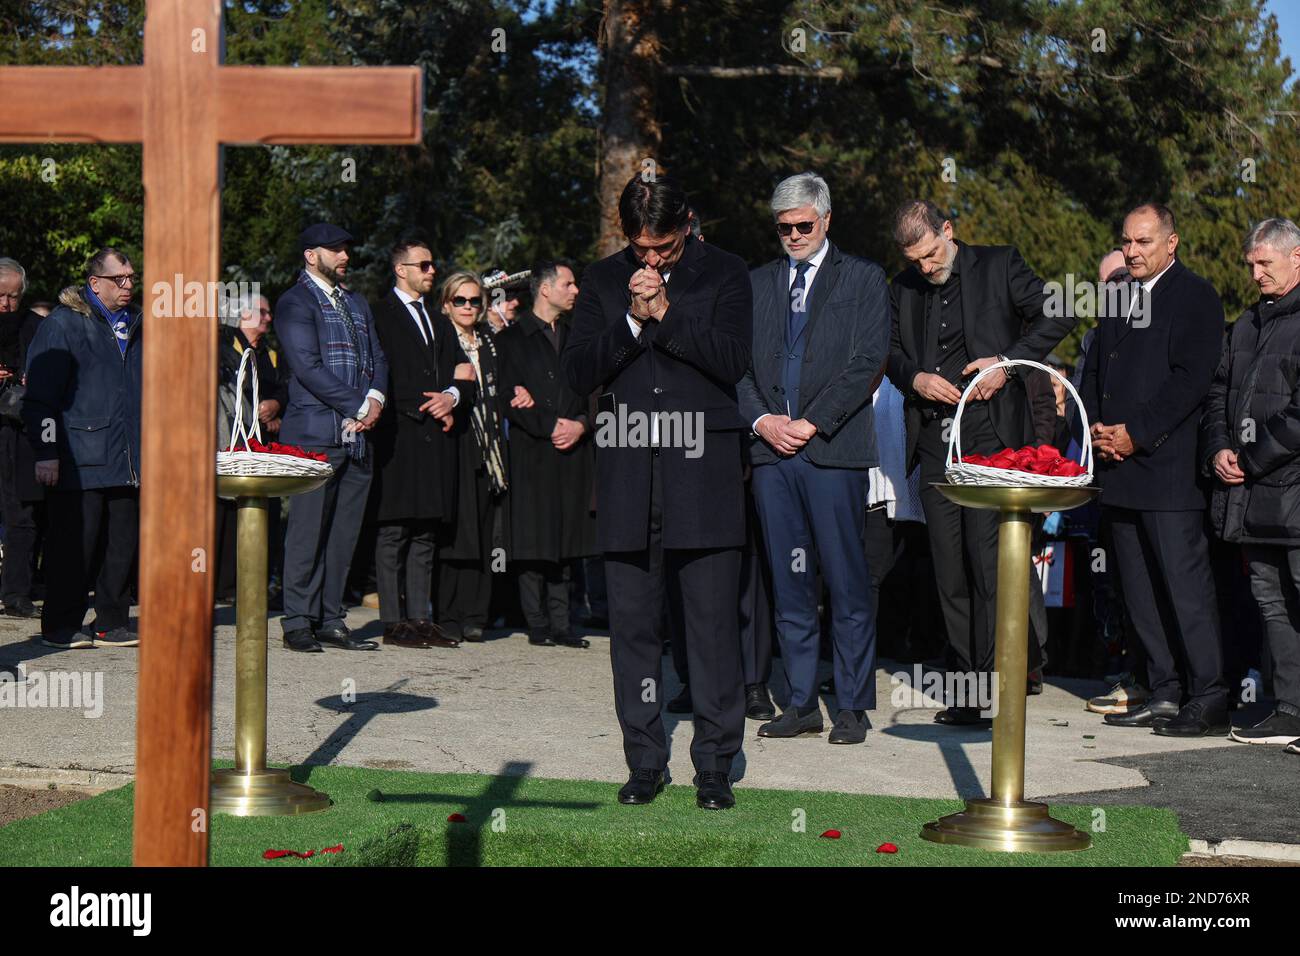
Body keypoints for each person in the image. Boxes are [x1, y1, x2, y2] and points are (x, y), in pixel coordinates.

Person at [562, 174, 752, 810]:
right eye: (639, 248)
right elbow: (579, 369)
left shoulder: (726, 272)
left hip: (705, 472)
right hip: (626, 476)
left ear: (688, 224)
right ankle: (643, 760)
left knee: (711, 628)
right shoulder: (600, 278)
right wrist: (630, 321)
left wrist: (667, 313)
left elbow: (732, 360)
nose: (650, 260)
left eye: (663, 248)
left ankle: (716, 764)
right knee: (635, 630)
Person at [886, 200, 1074, 725]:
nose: (925, 267)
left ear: (948, 231)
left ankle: (1001, 682)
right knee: (949, 572)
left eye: (930, 254)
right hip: (933, 445)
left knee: (988, 567)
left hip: (995, 441)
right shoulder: (901, 286)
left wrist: (1007, 364)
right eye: (915, 260)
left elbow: (1058, 311)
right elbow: (890, 350)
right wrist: (915, 378)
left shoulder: (1000, 264)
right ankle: (969, 689)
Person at [737, 171, 890, 745]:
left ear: (826, 220)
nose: (794, 235)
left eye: (803, 225)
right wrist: (764, 421)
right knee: (789, 581)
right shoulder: (756, 284)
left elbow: (867, 360)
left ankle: (851, 704)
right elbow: (739, 367)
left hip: (834, 451)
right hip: (773, 455)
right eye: (784, 228)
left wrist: (811, 422)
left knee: (847, 582)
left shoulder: (865, 278)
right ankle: (800, 701)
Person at [1082, 202, 1228, 737]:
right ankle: (1163, 690)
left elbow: (1190, 381)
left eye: (1143, 242)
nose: (1132, 251)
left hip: (1166, 472)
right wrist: (1098, 427)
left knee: (1184, 591)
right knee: (1138, 593)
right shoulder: (1116, 295)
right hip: (1116, 469)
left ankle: (1208, 696)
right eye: (1126, 241)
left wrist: (1135, 433)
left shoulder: (1196, 297)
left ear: (1172, 243)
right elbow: (1098, 368)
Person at [1202, 217, 1300, 747]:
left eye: (1266, 263)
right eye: (1252, 265)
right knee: (1270, 598)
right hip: (1253, 498)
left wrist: (1251, 456)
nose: (1256, 273)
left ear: (1297, 258)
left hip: (1291, 492)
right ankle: (1290, 707)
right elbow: (1219, 391)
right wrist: (1220, 446)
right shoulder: (1247, 324)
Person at [276, 223, 389, 653]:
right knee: (307, 530)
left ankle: (330, 618)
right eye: (336, 250)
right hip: (314, 433)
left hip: (359, 436)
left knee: (344, 533)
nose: (345, 256)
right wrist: (359, 406)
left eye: (346, 249)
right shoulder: (294, 302)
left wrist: (376, 397)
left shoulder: (356, 302)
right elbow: (307, 367)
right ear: (311, 255)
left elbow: (378, 356)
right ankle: (297, 620)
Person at [23, 247, 142, 649]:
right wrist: (46, 451)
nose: (128, 285)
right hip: (78, 453)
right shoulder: (64, 324)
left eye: (131, 277)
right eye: (119, 279)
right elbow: (40, 396)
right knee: (75, 545)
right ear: (95, 283)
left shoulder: (139, 323)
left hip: (128, 454)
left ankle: (111, 621)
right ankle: (61, 624)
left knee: (122, 543)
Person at [370, 236, 466, 650]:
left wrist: (452, 397)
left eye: (433, 265)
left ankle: (420, 618)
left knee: (426, 531)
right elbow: (375, 372)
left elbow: (459, 372)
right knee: (394, 530)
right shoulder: (379, 316)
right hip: (397, 437)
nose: (432, 272)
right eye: (423, 265)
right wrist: (418, 405)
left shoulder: (439, 321)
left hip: (434, 440)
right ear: (401, 269)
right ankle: (394, 622)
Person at [497, 260, 597, 648]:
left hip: (573, 449)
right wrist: (547, 424)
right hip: (531, 452)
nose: (575, 291)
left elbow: (593, 391)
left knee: (567, 539)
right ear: (545, 289)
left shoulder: (578, 338)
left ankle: (563, 623)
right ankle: (536, 621)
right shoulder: (511, 340)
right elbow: (509, 393)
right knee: (532, 538)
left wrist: (580, 425)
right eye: (569, 284)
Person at [438, 272, 511, 641]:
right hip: (455, 440)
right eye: (460, 301)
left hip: (490, 447)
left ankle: (476, 614)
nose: (468, 307)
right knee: (457, 532)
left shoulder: (490, 340)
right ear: (447, 303)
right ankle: (449, 614)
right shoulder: (439, 337)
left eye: (475, 301)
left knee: (484, 532)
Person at [215, 291, 288, 603]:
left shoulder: (270, 353)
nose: (269, 318)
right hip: (228, 443)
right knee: (225, 513)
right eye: (262, 311)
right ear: (242, 314)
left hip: (262, 448)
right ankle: (222, 585)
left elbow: (284, 388)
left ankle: (249, 584)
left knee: (261, 513)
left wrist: (276, 406)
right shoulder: (222, 346)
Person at [0, 258, 45, 618]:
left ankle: (16, 591)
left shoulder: (36, 327)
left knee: (22, 512)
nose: (6, 304)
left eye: (14, 296)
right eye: (1, 295)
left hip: (20, 431)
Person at [481, 269, 528, 334]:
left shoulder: (522, 327)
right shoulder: (478, 337)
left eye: (515, 295)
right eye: (507, 297)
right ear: (488, 303)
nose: (516, 303)